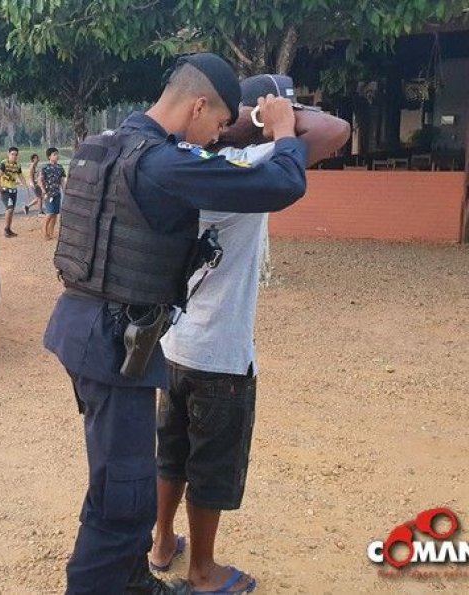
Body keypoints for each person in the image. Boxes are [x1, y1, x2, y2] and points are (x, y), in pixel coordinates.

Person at [44, 53, 311, 595]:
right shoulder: (163, 164)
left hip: (84, 329)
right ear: (197, 105)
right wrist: (283, 131)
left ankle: (131, 577)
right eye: (215, 124)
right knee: (125, 493)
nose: (215, 137)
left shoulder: (105, 144)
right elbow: (282, 185)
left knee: (124, 479)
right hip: (113, 343)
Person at [149, 75, 351, 594]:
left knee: (170, 452)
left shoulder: (185, 166)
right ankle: (202, 571)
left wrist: (254, 119)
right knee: (211, 464)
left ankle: (161, 542)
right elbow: (336, 131)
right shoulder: (250, 171)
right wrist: (277, 121)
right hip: (222, 355)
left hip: (172, 344)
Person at [0, 146, 30, 237]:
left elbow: (20, 176)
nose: (14, 156)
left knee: (11, 210)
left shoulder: (17, 165)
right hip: (5, 190)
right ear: (8, 154)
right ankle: (6, 229)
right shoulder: (4, 163)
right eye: (12, 154)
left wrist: (26, 186)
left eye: (16, 155)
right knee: (9, 208)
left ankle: (9, 229)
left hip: (13, 190)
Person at [38, 147, 66, 240]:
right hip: (48, 194)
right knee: (49, 213)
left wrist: (64, 191)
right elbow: (40, 181)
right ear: (49, 157)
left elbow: (62, 181)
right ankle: (45, 232)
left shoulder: (60, 167)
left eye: (57, 154)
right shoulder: (45, 168)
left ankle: (51, 232)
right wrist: (44, 192)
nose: (57, 156)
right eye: (54, 154)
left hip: (57, 193)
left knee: (55, 214)